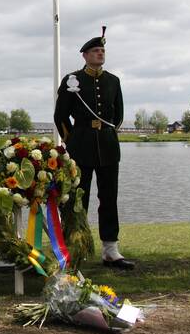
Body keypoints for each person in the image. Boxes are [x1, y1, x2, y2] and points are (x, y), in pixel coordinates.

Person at [54, 27, 134, 270]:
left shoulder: (113, 81)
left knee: (109, 198)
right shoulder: (71, 80)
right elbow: (60, 116)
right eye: (96, 51)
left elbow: (118, 115)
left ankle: (111, 250)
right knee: (79, 199)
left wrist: (108, 132)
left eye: (102, 51)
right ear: (85, 55)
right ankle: (75, 247)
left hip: (108, 148)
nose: (100, 54)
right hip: (81, 148)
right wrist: (72, 140)